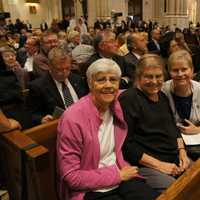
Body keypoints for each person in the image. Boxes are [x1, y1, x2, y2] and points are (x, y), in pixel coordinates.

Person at [57, 58, 155, 200]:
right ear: (90, 83)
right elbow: (71, 177)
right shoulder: (72, 118)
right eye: (101, 80)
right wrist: (117, 175)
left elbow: (144, 89)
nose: (108, 85)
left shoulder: (116, 104)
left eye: (113, 80)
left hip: (123, 175)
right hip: (90, 188)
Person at [119, 54, 190, 195]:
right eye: (148, 76)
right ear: (138, 77)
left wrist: (183, 152)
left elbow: (173, 129)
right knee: (179, 190)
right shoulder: (129, 99)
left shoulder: (162, 96)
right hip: (147, 165)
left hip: (174, 159)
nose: (154, 81)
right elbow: (127, 145)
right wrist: (160, 165)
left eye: (158, 76)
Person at [27, 47, 87, 125]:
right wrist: (41, 119)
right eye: (59, 69)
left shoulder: (77, 79)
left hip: (84, 121)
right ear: (49, 66)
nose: (64, 73)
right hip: (58, 127)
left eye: (67, 68)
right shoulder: (37, 86)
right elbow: (30, 114)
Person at [162, 50, 200, 160]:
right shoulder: (162, 91)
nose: (180, 74)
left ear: (192, 70)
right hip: (171, 144)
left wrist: (198, 130)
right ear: (169, 72)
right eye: (175, 70)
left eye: (184, 69)